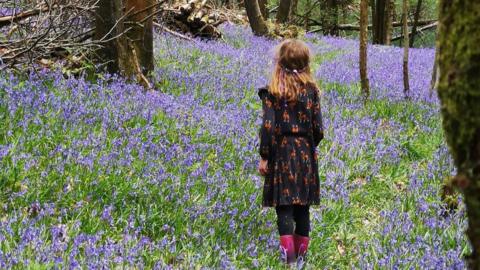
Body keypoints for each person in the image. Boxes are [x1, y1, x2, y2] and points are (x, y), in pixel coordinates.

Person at [258, 39, 324, 266]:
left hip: (282, 153)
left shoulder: (273, 92)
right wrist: (308, 145)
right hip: (305, 153)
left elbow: (268, 126)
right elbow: (319, 129)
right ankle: (302, 261)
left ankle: (288, 260)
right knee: (302, 206)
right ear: (306, 64)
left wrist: (265, 155)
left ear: (279, 64)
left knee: (284, 205)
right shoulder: (312, 92)